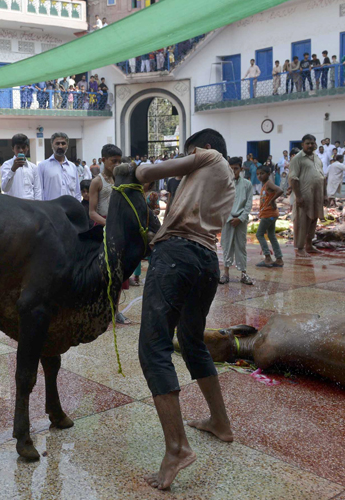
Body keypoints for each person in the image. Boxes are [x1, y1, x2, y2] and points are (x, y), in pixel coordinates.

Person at [134, 129, 235, 491]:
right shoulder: (228, 181)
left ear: (204, 148)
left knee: (153, 347)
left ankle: (176, 449)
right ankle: (220, 423)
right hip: (206, 261)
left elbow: (146, 174)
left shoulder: (210, 158)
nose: (186, 160)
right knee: (191, 341)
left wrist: (134, 170)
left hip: (178, 256)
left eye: (188, 152)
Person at [289, 134, 326, 258]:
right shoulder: (297, 159)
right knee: (302, 221)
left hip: (317, 195)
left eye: (312, 143)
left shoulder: (317, 158)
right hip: (304, 195)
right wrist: (298, 196)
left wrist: (325, 195)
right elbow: (293, 179)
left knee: (314, 219)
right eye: (308, 143)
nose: (310, 145)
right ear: (302, 144)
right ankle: (300, 248)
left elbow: (322, 177)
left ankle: (309, 245)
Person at [219, 157, 253, 285]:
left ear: (241, 169)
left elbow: (248, 204)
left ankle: (243, 274)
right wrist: (228, 218)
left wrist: (240, 218)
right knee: (227, 245)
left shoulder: (247, 184)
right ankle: (226, 273)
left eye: (236, 168)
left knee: (241, 246)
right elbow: (222, 203)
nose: (233, 171)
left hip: (241, 221)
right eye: (231, 168)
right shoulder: (224, 184)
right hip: (227, 220)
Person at [87, 144, 123, 227]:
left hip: (118, 221)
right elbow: (92, 213)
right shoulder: (97, 181)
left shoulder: (118, 179)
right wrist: (109, 224)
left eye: (119, 161)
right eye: (114, 161)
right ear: (103, 160)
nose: (117, 164)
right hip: (103, 225)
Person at [255, 165, 283, 268]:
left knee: (259, 234)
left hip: (268, 214)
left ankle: (267, 257)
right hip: (270, 214)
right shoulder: (264, 185)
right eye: (258, 174)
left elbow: (280, 190)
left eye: (262, 173)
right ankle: (279, 259)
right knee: (271, 235)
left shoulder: (269, 183)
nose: (259, 176)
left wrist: (272, 200)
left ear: (268, 174)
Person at [38, 132, 80, 200]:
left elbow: (77, 191)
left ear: (67, 146)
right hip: (50, 208)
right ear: (52, 145)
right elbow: (39, 191)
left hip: (70, 208)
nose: (60, 146)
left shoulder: (72, 167)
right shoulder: (42, 166)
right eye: (57, 143)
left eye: (63, 143)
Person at [0, 134, 42, 200]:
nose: (21, 150)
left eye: (23, 147)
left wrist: (38, 207)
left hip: (30, 206)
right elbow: (5, 188)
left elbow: (37, 190)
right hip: (13, 205)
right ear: (13, 148)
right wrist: (13, 169)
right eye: (18, 147)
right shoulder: (7, 165)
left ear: (27, 148)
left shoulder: (33, 167)